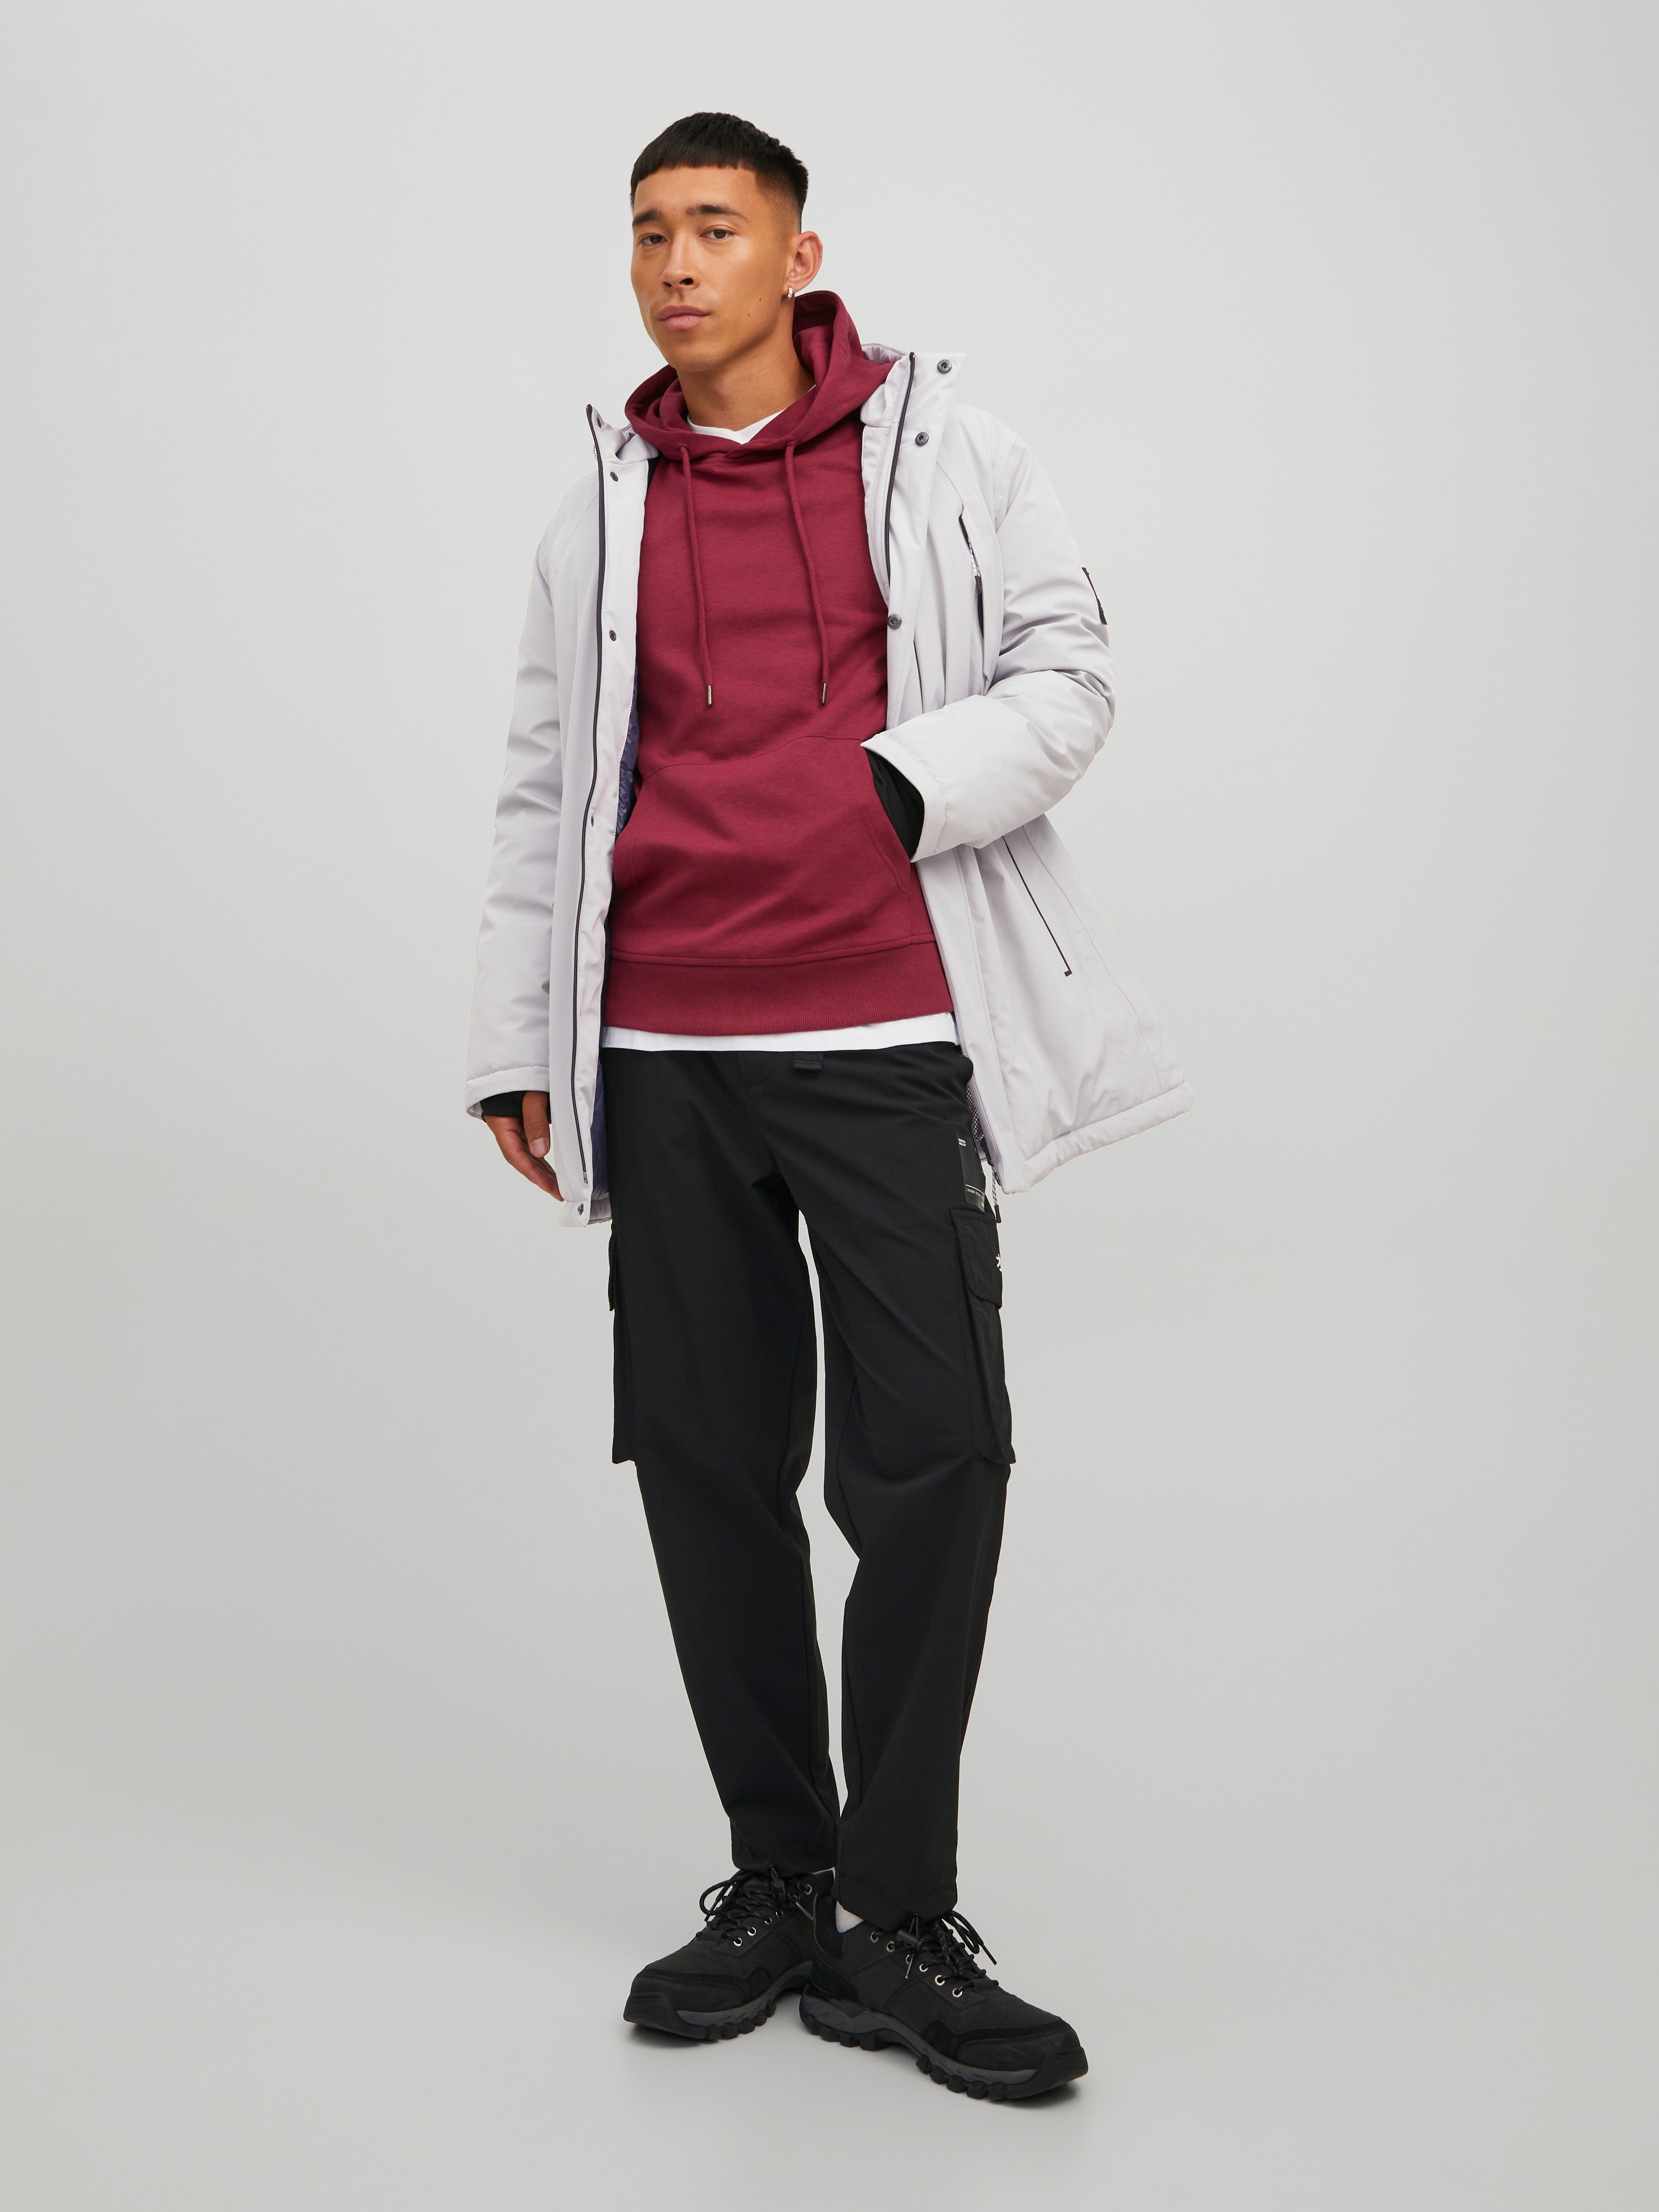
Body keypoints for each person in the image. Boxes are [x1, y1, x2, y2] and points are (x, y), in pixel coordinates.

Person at [466, 111, 1190, 2102]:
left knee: (935, 1454)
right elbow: (544, 773)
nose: (674, 264)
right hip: (666, 1050)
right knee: (705, 1464)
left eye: (714, 226)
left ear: (798, 256)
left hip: (886, 1028)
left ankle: (897, 1913)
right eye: (647, 233)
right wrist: (516, 1036)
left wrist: (896, 782)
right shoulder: (596, 504)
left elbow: (1072, 671)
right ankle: (777, 1879)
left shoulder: (951, 451)